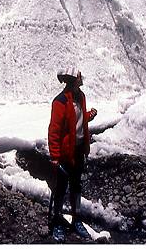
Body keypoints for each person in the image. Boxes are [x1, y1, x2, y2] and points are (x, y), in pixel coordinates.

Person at [47, 66, 97, 241]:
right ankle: (58, 222)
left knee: (76, 185)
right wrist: (54, 156)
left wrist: (89, 115)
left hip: (78, 150)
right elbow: (54, 130)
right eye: (79, 76)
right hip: (65, 153)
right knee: (60, 188)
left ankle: (76, 220)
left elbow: (78, 118)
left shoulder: (80, 96)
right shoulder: (60, 101)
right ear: (72, 79)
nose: (81, 78)